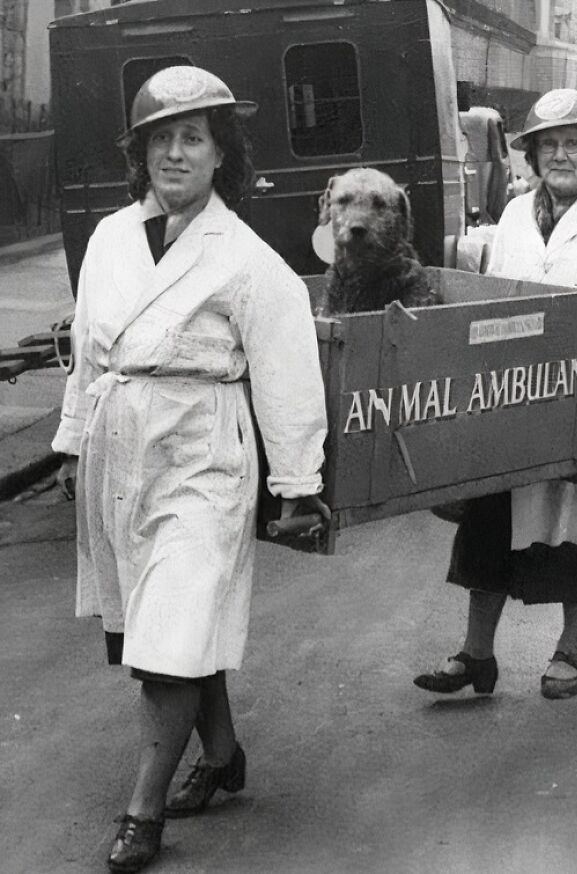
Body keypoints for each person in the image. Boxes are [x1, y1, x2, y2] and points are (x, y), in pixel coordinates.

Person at [52, 66, 329, 873]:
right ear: (141, 154)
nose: (176, 153)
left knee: (171, 626)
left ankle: (142, 814)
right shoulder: (108, 238)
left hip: (203, 452)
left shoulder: (247, 259)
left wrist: (298, 486)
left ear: (220, 156)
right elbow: (88, 357)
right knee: (160, 618)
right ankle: (223, 752)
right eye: (161, 138)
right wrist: (73, 439)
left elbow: (286, 374)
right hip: (120, 445)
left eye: (193, 138)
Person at [414, 89, 577, 702]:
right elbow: (493, 306)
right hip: (517, 400)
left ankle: (570, 650)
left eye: (574, 143)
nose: (560, 155)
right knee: (489, 521)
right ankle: (477, 655)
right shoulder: (512, 218)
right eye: (547, 144)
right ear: (530, 155)